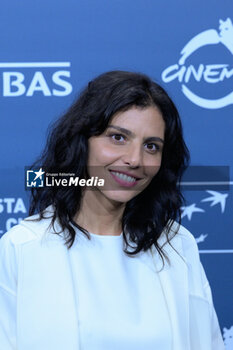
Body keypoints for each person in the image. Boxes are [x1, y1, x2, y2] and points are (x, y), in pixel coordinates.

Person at [0, 71, 225, 350]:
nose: (134, 159)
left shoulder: (178, 246)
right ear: (82, 141)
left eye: (151, 146)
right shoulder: (21, 247)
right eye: (118, 138)